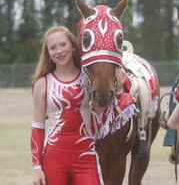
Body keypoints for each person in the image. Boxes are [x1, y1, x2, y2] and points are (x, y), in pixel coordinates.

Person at [30, 25, 125, 185]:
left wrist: (119, 91)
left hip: (86, 158)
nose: (59, 51)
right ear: (48, 54)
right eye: (53, 48)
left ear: (73, 46)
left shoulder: (88, 81)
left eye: (63, 44)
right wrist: (37, 167)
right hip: (54, 160)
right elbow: (37, 128)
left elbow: (104, 123)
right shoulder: (42, 84)